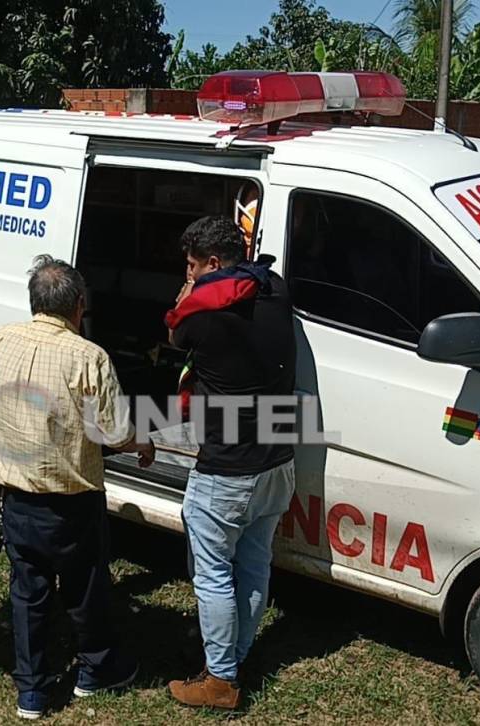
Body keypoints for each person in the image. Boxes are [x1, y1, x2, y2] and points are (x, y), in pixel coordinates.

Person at [0, 255, 153, 720]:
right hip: (73, 502)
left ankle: (31, 691)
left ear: (33, 301)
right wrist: (145, 441)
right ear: (80, 305)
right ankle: (95, 670)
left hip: (17, 499)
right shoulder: (90, 357)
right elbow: (113, 433)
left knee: (27, 592)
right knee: (84, 589)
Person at [164, 216, 296, 710]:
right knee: (255, 562)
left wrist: (189, 288)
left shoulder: (202, 316)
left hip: (227, 467)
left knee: (214, 573)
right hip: (279, 455)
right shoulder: (277, 291)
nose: (190, 276)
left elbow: (175, 326)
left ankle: (220, 680)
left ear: (213, 264)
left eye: (193, 267)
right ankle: (235, 657)